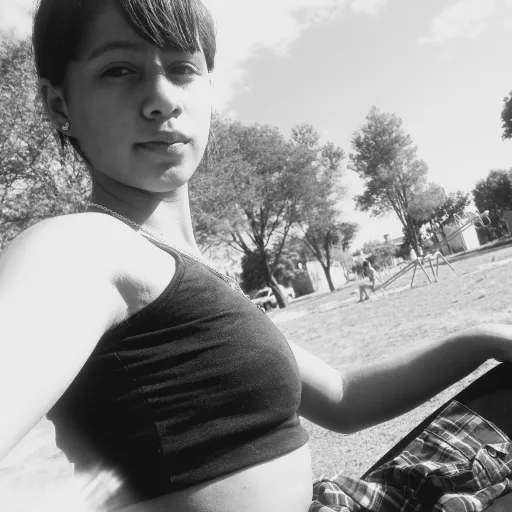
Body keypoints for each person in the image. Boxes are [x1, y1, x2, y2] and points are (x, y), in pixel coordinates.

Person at [1, 1, 512, 511]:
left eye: (182, 68)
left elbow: (342, 398)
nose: (162, 100)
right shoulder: (80, 247)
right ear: (58, 104)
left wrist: (480, 338)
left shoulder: (183, 268)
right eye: (119, 70)